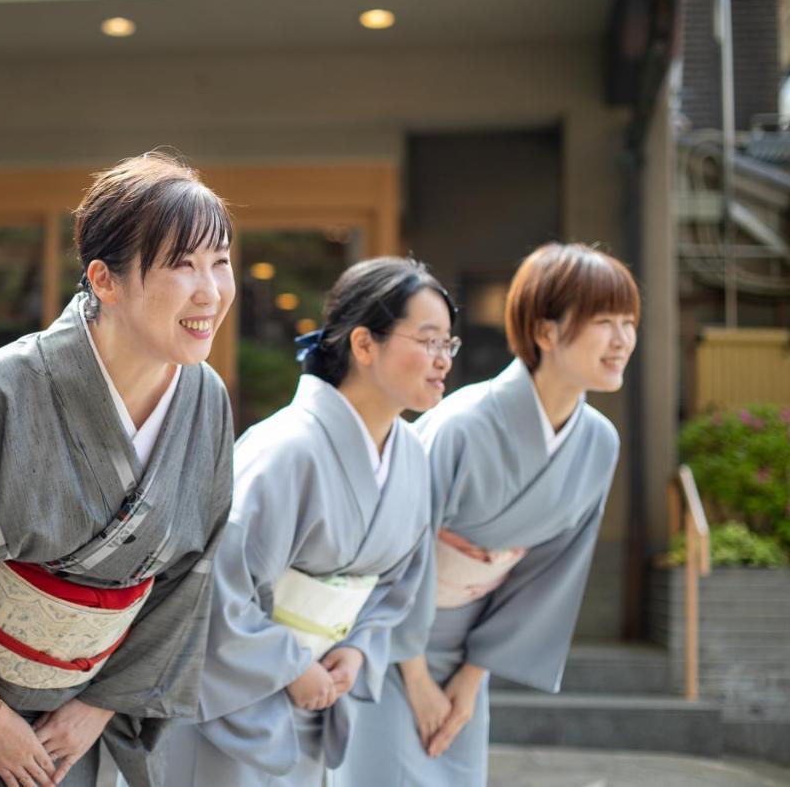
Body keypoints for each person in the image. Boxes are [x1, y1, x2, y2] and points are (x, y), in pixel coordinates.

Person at [0, 151, 237, 787]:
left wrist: (96, 706)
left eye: (219, 262)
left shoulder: (206, 401)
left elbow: (190, 572)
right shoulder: (6, 389)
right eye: (182, 264)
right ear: (104, 280)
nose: (211, 291)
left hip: (76, 722)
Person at [343, 242, 640, 786]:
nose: (623, 340)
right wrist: (414, 677)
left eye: (629, 322)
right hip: (384, 646)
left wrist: (472, 677)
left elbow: (553, 568)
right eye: (605, 321)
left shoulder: (599, 442)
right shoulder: (462, 423)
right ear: (546, 332)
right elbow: (394, 546)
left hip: (465, 656)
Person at [165, 257, 454, 785]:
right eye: (429, 341)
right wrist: (290, 665)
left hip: (315, 699)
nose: (442, 361)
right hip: (235, 702)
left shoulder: (413, 456)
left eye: (448, 346)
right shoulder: (286, 450)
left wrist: (357, 649)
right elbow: (215, 587)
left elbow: (395, 588)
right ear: (365, 345)